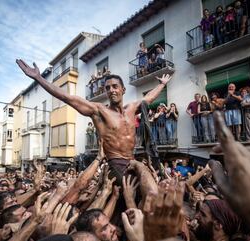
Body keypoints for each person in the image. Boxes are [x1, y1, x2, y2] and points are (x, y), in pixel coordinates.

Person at [16, 59, 171, 183]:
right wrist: (38, 78)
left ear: (123, 90)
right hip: (115, 166)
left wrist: (162, 85)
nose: (111, 90)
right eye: (108, 88)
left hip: (132, 161)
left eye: (115, 86)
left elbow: (148, 97)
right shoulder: (99, 110)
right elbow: (66, 97)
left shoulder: (132, 109)